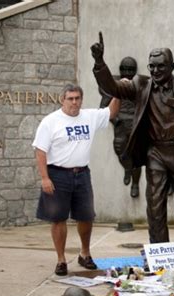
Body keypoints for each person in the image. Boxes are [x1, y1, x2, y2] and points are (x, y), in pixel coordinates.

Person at [90, 33, 174, 249]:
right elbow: (113, 88)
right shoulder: (140, 85)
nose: (155, 71)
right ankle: (159, 253)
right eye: (152, 66)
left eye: (161, 66)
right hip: (155, 152)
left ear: (172, 66)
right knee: (154, 205)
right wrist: (100, 63)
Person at [32, 83, 120, 276]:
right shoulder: (51, 121)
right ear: (62, 100)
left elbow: (111, 112)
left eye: (77, 98)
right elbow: (40, 151)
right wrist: (45, 178)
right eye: (70, 98)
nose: (74, 102)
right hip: (57, 174)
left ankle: (85, 254)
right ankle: (61, 259)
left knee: (86, 216)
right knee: (58, 218)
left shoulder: (89, 116)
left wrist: (118, 92)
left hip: (82, 174)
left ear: (81, 99)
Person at [99, 57, 142, 197]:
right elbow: (103, 107)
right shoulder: (114, 85)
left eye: (130, 69)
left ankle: (135, 183)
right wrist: (116, 120)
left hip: (136, 125)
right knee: (120, 151)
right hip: (120, 124)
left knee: (136, 154)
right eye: (124, 69)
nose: (127, 72)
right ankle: (127, 169)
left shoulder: (141, 85)